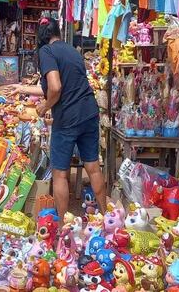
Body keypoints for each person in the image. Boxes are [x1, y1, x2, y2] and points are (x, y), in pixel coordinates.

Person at [10, 17, 107, 218]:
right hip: (89, 112)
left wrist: (45, 106)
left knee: (60, 173)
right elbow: (55, 86)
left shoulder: (46, 51)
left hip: (68, 118)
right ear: (58, 32)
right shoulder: (72, 51)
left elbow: (55, 87)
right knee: (93, 167)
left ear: (41, 36)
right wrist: (23, 88)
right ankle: (106, 217)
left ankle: (63, 225)